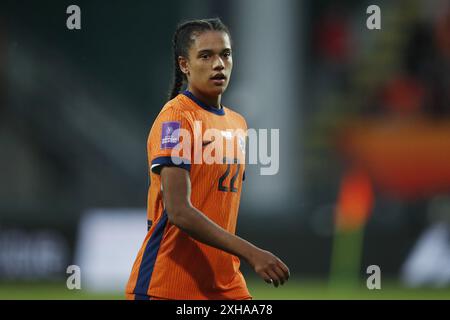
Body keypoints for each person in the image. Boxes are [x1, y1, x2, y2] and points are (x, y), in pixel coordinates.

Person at [125, 18, 289, 300]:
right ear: (184, 65)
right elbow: (178, 211)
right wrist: (251, 252)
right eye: (206, 55)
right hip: (167, 286)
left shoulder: (238, 124)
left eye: (225, 54)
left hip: (225, 285)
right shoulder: (176, 119)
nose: (218, 64)